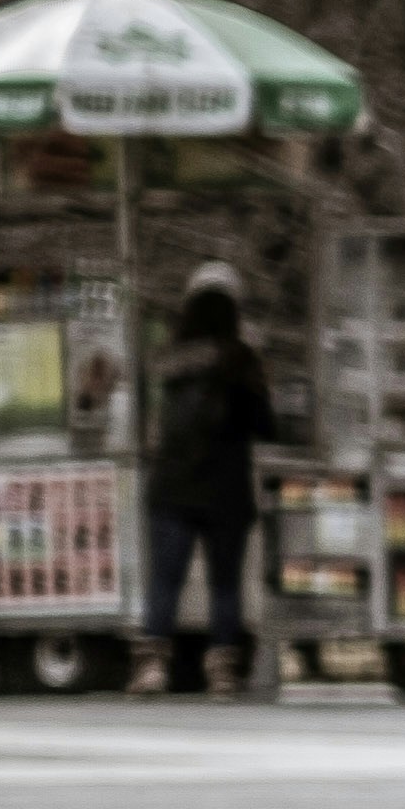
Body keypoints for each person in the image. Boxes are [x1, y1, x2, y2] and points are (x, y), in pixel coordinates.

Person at [140, 264, 272, 698]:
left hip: (172, 485)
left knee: (165, 580)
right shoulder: (241, 357)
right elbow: (264, 424)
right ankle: (222, 672)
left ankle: (153, 667)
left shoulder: (170, 358)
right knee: (225, 583)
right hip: (226, 489)